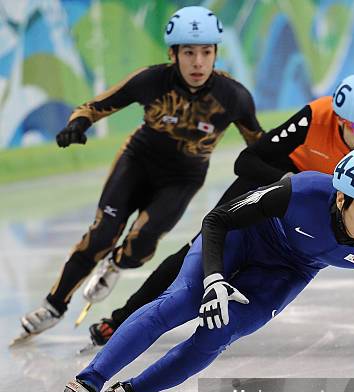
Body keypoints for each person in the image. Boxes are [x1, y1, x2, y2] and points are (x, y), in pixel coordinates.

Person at [29, 146, 354, 392]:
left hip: (287, 271)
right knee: (181, 302)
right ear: (341, 199)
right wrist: (213, 279)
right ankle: (86, 384)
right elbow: (218, 219)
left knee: (219, 332)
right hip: (239, 239)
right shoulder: (301, 192)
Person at [88, 72, 354, 348]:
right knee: (197, 250)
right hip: (283, 185)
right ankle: (120, 319)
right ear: (338, 118)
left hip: (325, 201)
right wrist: (291, 186)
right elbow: (247, 161)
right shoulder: (314, 117)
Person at [18, 5, 263, 339]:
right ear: (172, 54)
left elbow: (261, 145)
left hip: (182, 179)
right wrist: (77, 124)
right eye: (188, 52)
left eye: (206, 52)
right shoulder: (151, 80)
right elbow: (93, 106)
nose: (198, 62)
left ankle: (117, 265)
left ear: (216, 53)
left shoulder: (234, 97)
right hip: (138, 162)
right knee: (101, 234)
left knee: (141, 243)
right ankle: (53, 305)